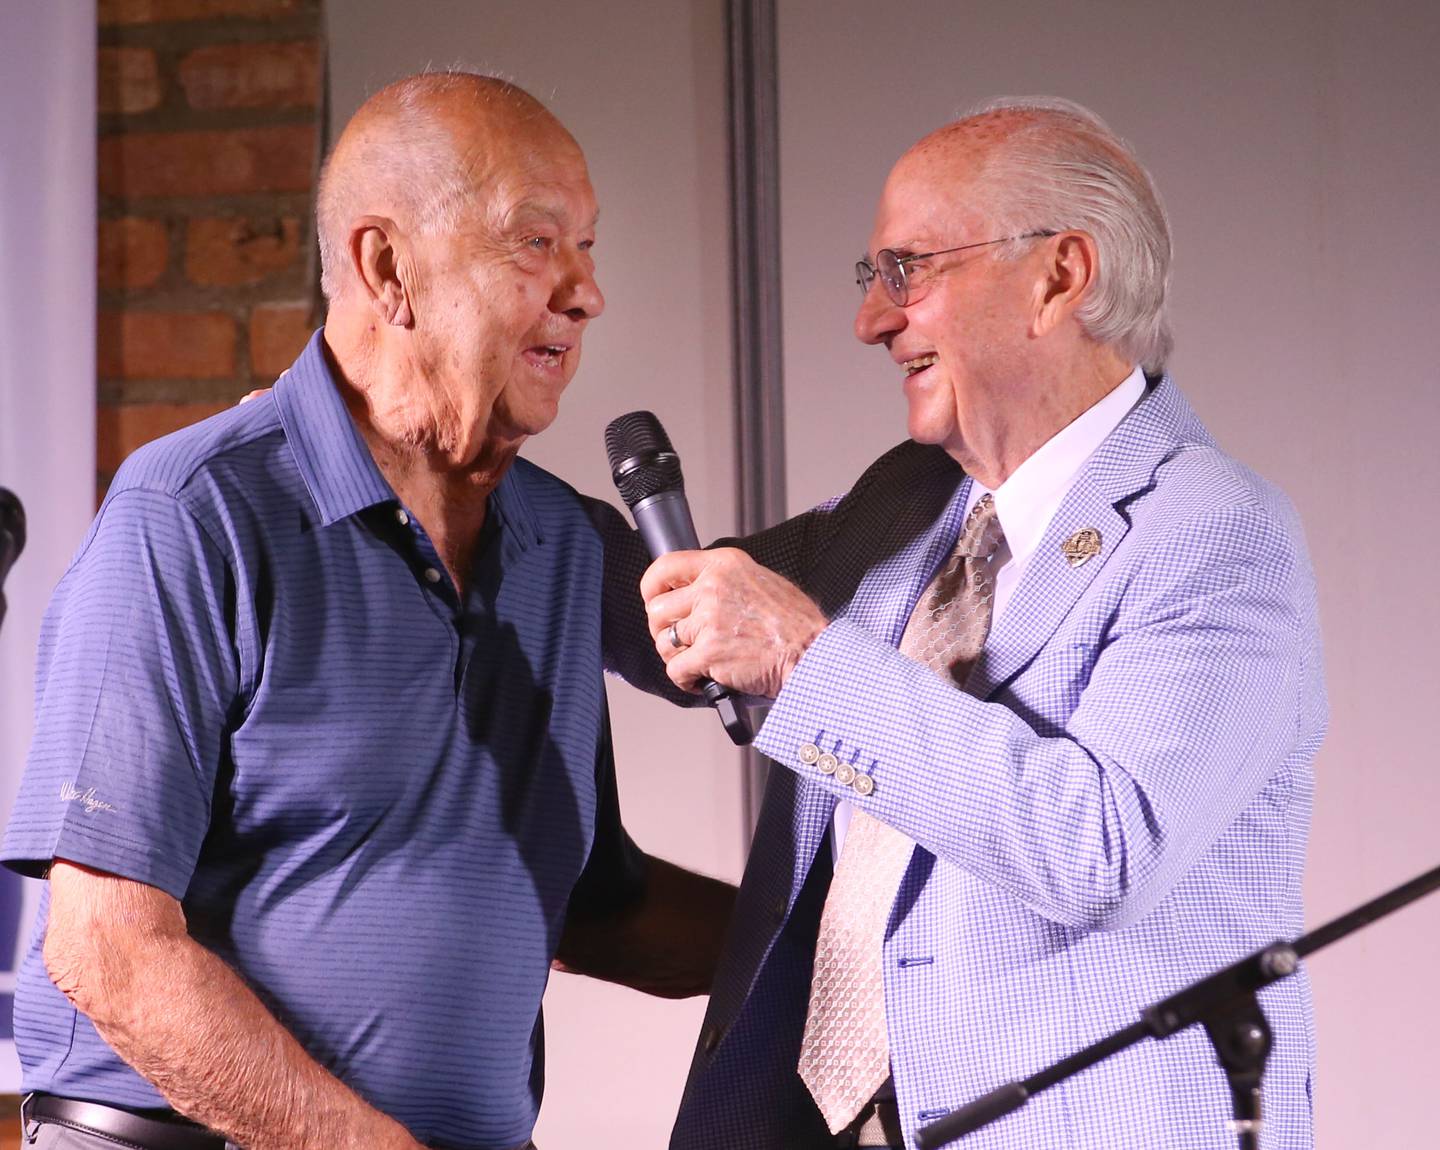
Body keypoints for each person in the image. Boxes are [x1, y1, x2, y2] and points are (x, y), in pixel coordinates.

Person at [3, 72, 733, 1150]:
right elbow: (107, 949)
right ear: (387, 269)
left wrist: (880, 947)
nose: (586, 292)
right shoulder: (194, 513)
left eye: (590, 246)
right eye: (537, 243)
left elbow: (590, 905)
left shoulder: (564, 550)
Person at [613, 99, 1324, 1149]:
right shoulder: (905, 505)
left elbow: (1102, 847)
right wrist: (449, 471)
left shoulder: (1217, 534)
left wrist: (807, 657)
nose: (872, 320)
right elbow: (672, 604)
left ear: (1060, 276)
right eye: (874, 280)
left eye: (908, 270)